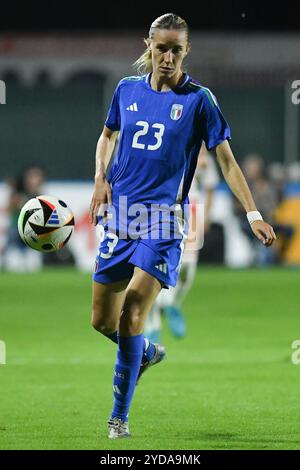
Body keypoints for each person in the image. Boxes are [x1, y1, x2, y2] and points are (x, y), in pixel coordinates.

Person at [89, 13, 276, 439]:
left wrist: (252, 213)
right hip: (120, 218)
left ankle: (119, 418)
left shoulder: (199, 100)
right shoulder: (126, 91)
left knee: (134, 311)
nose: (168, 56)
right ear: (148, 46)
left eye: (176, 49)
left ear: (186, 50)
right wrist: (100, 178)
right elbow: (106, 136)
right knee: (102, 321)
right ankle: (145, 354)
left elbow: (226, 161)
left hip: (163, 221)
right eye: (161, 47)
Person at [144, 143, 220, 342]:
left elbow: (210, 188)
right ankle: (153, 325)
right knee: (153, 266)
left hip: (191, 210)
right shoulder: (164, 145)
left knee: (187, 267)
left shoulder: (202, 156)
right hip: (163, 209)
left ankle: (172, 303)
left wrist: (207, 215)